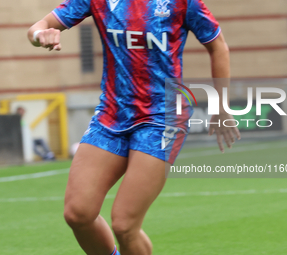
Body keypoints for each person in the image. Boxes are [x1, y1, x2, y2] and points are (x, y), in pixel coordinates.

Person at [27, 0, 240, 254]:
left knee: (125, 224)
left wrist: (221, 107)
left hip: (162, 118)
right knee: (78, 214)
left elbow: (218, 46)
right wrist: (41, 34)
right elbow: (37, 28)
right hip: (111, 115)